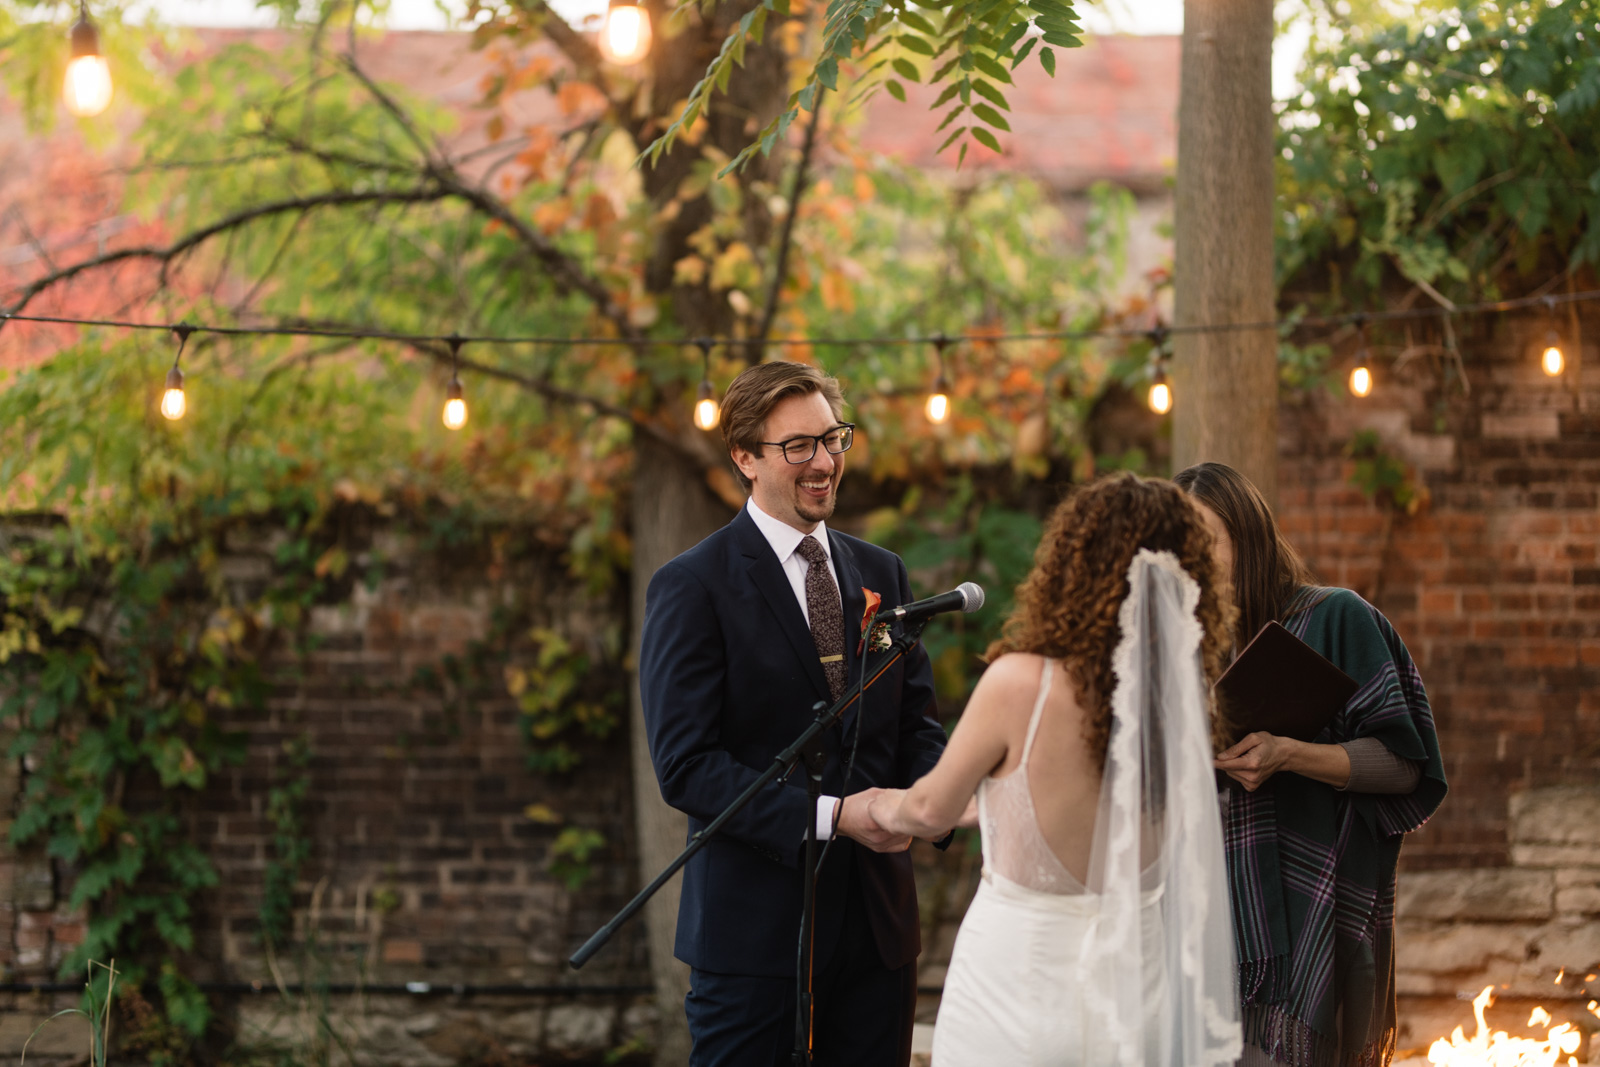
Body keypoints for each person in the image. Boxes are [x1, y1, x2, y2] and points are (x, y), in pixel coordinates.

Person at [869, 472, 1245, 1067]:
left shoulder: (1022, 683)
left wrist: (873, 805)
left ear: (1074, 566)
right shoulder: (1182, 702)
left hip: (1015, 996)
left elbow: (928, 810)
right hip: (1136, 1004)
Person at [639, 360, 951, 1067]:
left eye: (833, 439)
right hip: (754, 936)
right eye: (798, 446)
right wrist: (832, 817)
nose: (824, 462)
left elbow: (915, 726)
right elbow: (686, 765)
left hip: (878, 932)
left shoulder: (883, 573)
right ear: (744, 457)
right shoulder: (692, 585)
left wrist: (935, 797)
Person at [1172, 461, 1448, 1067]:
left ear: (1250, 539)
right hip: (1202, 928)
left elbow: (1406, 764)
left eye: (1206, 543)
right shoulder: (1177, 649)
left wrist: (1289, 754)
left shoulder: (1334, 619)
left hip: (1313, 929)